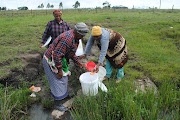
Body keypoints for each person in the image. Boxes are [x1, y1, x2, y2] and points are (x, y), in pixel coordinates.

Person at [43, 22, 89, 111]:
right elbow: (56, 55)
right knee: (57, 81)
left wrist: (78, 63)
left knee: (64, 78)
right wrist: (60, 70)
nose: (82, 37)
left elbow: (72, 53)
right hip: (51, 60)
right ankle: (57, 103)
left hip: (59, 59)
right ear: (77, 32)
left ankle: (64, 95)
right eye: (82, 35)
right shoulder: (67, 38)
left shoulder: (75, 37)